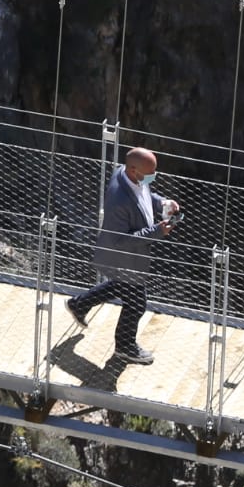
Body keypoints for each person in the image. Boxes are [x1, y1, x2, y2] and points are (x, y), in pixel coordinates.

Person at [66, 148, 177, 367]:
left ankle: (79, 304)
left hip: (128, 258)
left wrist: (163, 203)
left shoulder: (129, 176)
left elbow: (145, 194)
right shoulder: (119, 200)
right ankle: (125, 347)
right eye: (150, 173)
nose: (153, 177)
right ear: (134, 170)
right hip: (123, 257)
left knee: (119, 286)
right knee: (136, 304)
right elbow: (121, 240)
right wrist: (157, 231)